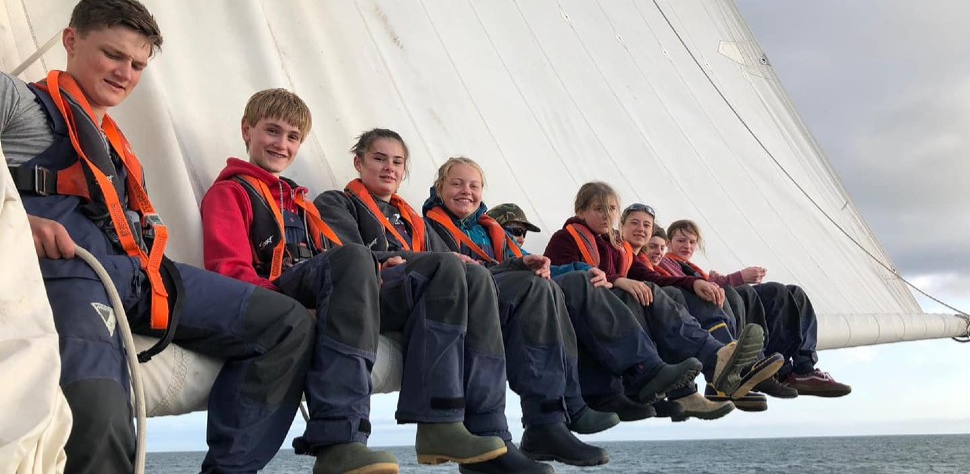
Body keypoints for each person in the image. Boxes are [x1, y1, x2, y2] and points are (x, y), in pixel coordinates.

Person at [3, 0, 314, 473]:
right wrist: (14, 221)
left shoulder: (115, 145)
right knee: (101, 417)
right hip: (70, 280)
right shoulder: (19, 104)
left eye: (137, 64)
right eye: (112, 54)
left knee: (287, 323)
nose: (125, 73)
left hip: (143, 278)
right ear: (70, 40)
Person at [202, 89, 423, 473]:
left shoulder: (300, 203)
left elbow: (331, 262)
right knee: (355, 256)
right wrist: (296, 309)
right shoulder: (230, 193)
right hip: (271, 302)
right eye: (272, 131)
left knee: (371, 263)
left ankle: (440, 420)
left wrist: (369, 276)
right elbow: (230, 273)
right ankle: (340, 437)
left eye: (292, 137)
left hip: (311, 293)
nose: (281, 144)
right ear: (246, 130)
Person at [313, 129, 557, 474]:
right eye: (379, 159)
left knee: (478, 278)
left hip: (420, 297)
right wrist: (396, 259)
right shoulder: (336, 202)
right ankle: (435, 421)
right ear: (358, 162)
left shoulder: (412, 220)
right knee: (448, 269)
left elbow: (462, 264)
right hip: (372, 296)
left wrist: (518, 264)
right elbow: (344, 257)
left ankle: (490, 432)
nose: (389, 168)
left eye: (397, 162)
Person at [422, 158, 709, 426]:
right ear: (440, 188)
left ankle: (630, 381)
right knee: (565, 293)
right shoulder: (428, 229)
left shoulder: (489, 230)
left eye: (474, 186)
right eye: (457, 184)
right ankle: (622, 384)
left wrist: (579, 269)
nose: (466, 191)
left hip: (513, 296)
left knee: (582, 282)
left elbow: (530, 262)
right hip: (479, 307)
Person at [543, 182, 786, 417]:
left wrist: (694, 282)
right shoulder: (565, 238)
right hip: (588, 314)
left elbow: (654, 278)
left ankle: (714, 364)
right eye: (599, 209)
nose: (607, 216)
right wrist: (617, 279)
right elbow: (562, 280)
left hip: (619, 312)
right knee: (640, 294)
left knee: (672, 293)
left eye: (612, 209)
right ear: (581, 211)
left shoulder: (615, 246)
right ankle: (707, 366)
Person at [662, 219, 851, 398]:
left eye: (692, 242)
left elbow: (711, 283)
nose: (687, 246)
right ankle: (780, 369)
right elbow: (686, 285)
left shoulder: (692, 267)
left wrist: (716, 279)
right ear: (669, 243)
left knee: (795, 294)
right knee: (776, 291)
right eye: (681, 241)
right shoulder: (666, 263)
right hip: (721, 306)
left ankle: (804, 367)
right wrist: (735, 277)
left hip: (726, 300)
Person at [621, 205, 777, 412]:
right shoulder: (624, 253)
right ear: (621, 226)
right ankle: (723, 366)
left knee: (735, 294)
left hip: (649, 305)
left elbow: (652, 277)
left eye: (646, 225)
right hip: (630, 311)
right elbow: (654, 279)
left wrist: (699, 282)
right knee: (682, 295)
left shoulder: (634, 258)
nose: (641, 228)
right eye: (634, 223)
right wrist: (619, 280)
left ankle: (731, 363)